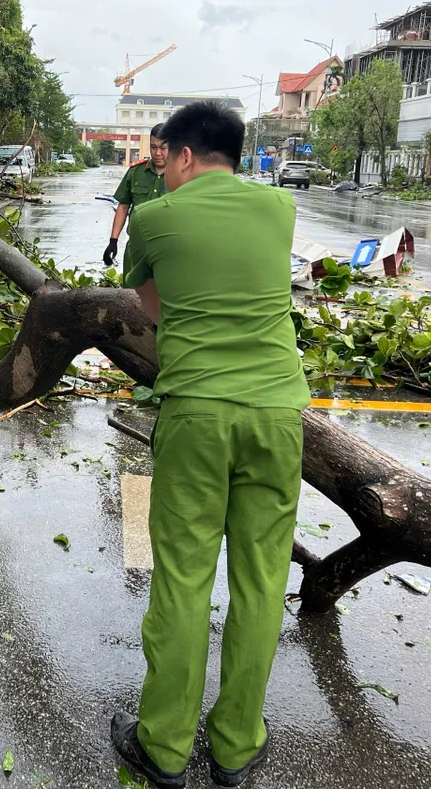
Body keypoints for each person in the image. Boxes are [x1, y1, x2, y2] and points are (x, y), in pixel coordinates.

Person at [113, 101, 310, 788]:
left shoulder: (156, 217)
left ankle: (164, 747)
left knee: (183, 577)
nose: (162, 171)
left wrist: (189, 320)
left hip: (197, 411)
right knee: (261, 582)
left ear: (188, 156)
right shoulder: (279, 210)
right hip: (279, 413)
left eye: (166, 159)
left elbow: (147, 299)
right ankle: (235, 746)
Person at [103, 123, 168, 267]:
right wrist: (113, 241)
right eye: (153, 147)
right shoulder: (136, 172)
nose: (157, 153)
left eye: (163, 148)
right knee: (131, 289)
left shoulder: (182, 175)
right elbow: (123, 207)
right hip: (136, 248)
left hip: (168, 250)